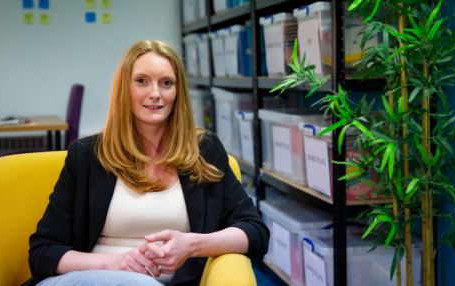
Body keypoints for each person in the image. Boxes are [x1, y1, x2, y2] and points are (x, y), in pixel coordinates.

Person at [22, 40, 269, 286]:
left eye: (166, 83)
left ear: (178, 92)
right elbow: (43, 252)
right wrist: (114, 264)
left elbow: (255, 232)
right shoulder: (86, 154)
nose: (155, 93)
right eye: (141, 81)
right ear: (124, 89)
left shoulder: (205, 150)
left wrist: (192, 245)